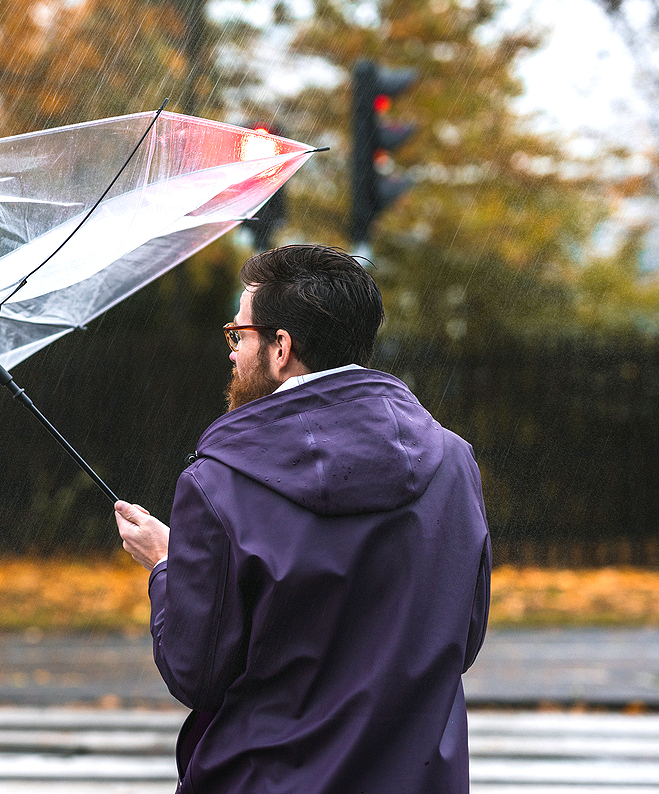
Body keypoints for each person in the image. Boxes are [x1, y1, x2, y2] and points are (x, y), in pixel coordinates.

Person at [115, 244, 490, 794]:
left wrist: (168, 565)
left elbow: (196, 672)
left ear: (280, 347)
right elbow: (463, 637)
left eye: (238, 335)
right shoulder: (454, 463)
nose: (232, 352)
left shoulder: (220, 484)